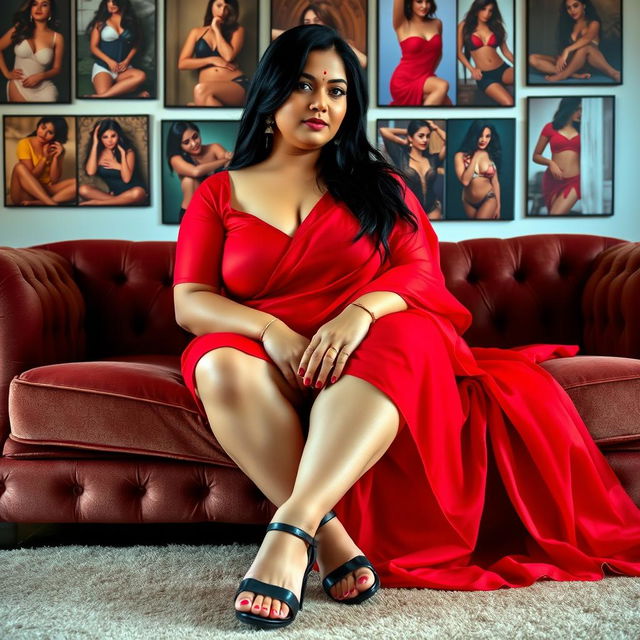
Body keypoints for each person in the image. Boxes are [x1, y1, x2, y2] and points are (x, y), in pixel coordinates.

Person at [173, 24, 640, 632]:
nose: (321, 103)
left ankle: (293, 532)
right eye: (304, 85)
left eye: (337, 91)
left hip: (372, 348)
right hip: (273, 357)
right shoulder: (217, 191)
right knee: (215, 360)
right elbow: (191, 300)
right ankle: (334, 538)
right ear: (269, 94)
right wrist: (268, 330)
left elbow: (421, 276)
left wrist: (358, 312)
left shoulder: (380, 186)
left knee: (406, 331)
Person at [528, 0, 620, 83]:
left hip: (586, 62)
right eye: (569, 8)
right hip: (570, 63)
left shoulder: (594, 22)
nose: (572, 10)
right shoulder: (569, 25)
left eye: (575, 6)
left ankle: (563, 75)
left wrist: (566, 50)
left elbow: (587, 39)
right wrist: (561, 56)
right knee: (532, 58)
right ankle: (572, 74)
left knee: (585, 47)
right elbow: (565, 49)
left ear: (583, 6)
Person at [178, 0, 248, 107]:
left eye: (227, 8)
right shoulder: (196, 32)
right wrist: (212, 60)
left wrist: (216, 29)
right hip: (208, 92)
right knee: (198, 102)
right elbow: (182, 63)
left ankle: (197, 106)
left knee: (200, 91)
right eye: (219, 6)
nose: (222, 11)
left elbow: (228, 56)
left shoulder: (237, 30)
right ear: (211, 6)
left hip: (237, 85)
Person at [166, 121, 233, 221]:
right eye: (186, 142)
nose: (194, 143)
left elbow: (231, 169)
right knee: (189, 180)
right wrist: (225, 160)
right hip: (191, 215)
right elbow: (195, 172)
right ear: (179, 145)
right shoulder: (175, 159)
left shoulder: (214, 148)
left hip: (217, 211)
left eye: (195, 136)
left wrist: (230, 160)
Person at [379, 119, 445, 220]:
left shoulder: (433, 159)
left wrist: (435, 128)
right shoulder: (400, 156)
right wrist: (405, 136)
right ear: (410, 137)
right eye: (421, 136)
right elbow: (383, 130)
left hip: (432, 208)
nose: (425, 140)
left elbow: (449, 141)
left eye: (428, 136)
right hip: (410, 210)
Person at [0, 0, 64, 102]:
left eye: (44, 5)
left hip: (45, 89)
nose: (38, 8)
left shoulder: (57, 37)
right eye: (34, 4)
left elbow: (57, 69)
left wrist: (41, 76)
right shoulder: (19, 29)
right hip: (18, 85)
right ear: (30, 9)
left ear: (50, 12)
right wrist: (7, 73)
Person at [389, 0, 450, 105]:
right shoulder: (402, 24)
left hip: (425, 78)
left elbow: (439, 54)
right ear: (410, 3)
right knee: (442, 86)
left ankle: (422, 119)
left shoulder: (437, 23)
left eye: (428, 2)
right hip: (403, 81)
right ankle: (422, 120)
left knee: (447, 104)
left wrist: (427, 76)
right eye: (419, 1)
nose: (424, 6)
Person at [271, 1, 367, 68]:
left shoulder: (339, 44)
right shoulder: (301, 43)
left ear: (328, 22)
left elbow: (365, 62)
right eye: (307, 22)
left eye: (317, 21)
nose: (312, 25)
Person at [85, 0, 148, 98]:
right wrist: (109, 61)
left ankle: (101, 97)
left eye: (114, 1)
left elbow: (137, 43)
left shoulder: (132, 22)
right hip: (104, 67)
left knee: (141, 76)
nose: (111, 4)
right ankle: (134, 96)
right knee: (103, 92)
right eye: (108, 1)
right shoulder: (100, 22)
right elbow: (93, 47)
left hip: (124, 68)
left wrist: (127, 61)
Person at [456, 0, 514, 106]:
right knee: (509, 102)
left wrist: (521, 67)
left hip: (503, 69)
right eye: (483, 9)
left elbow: (506, 52)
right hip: (485, 75)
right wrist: (472, 69)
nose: (487, 14)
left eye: (490, 11)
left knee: (523, 77)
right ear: (476, 9)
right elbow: (458, 52)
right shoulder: (464, 26)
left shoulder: (496, 26)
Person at [79, 118, 147, 206]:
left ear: (118, 136)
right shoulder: (97, 153)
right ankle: (118, 202)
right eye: (105, 137)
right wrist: (95, 143)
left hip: (133, 192)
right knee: (83, 189)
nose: (110, 141)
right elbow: (90, 172)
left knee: (138, 192)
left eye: (113, 136)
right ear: (99, 138)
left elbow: (127, 179)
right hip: (116, 195)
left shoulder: (128, 151)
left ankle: (98, 203)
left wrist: (119, 164)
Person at [9, 116, 76, 205]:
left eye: (50, 132)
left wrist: (56, 157)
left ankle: (40, 202)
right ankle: (51, 203)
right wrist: (44, 158)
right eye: (43, 128)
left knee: (78, 183)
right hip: (25, 192)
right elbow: (30, 177)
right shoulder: (24, 143)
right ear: (38, 125)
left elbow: (54, 180)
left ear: (56, 135)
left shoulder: (56, 148)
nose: (43, 134)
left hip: (46, 189)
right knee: (19, 167)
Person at [532, 97, 581, 215]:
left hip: (574, 181)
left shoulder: (584, 129)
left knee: (556, 214)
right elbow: (536, 156)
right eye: (578, 109)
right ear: (568, 109)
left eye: (582, 110)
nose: (580, 113)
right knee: (553, 217)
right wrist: (551, 163)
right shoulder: (550, 127)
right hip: (552, 180)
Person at [454, 120, 501, 219]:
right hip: (468, 201)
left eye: (487, 136)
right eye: (480, 135)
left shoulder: (490, 154)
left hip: (489, 198)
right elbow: (465, 182)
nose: (484, 140)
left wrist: (498, 206)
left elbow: (495, 182)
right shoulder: (460, 156)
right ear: (474, 135)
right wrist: (476, 156)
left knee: (482, 229)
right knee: (474, 231)